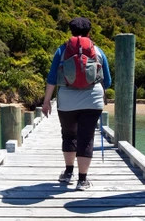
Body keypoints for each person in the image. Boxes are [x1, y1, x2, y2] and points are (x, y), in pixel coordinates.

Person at [42, 17, 112, 191]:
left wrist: (46, 102)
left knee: (69, 135)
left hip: (66, 101)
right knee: (86, 138)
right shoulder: (98, 51)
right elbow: (108, 81)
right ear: (89, 32)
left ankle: (68, 173)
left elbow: (52, 78)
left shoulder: (62, 50)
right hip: (92, 101)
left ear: (71, 32)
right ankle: (82, 180)